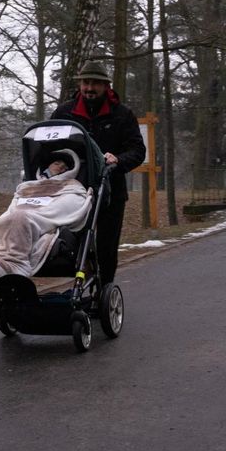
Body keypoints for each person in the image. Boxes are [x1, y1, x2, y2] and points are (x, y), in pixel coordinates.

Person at [51, 59, 146, 284]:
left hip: (110, 192)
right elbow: (49, 145)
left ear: (106, 86)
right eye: (85, 82)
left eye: (95, 83)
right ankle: (78, 286)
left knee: (106, 246)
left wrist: (118, 160)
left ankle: (105, 290)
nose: (89, 88)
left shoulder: (122, 114)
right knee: (72, 243)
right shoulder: (64, 112)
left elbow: (137, 150)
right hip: (72, 191)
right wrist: (55, 162)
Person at [0, 149, 93, 278]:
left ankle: (16, 265)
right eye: (57, 163)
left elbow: (66, 207)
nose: (61, 167)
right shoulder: (28, 187)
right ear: (47, 166)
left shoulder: (73, 188)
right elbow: (14, 208)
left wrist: (32, 215)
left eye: (65, 167)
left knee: (20, 218)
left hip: (43, 223)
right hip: (22, 219)